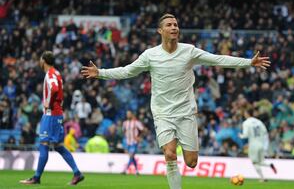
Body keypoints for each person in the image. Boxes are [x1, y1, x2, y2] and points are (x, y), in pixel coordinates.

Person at [81, 14, 270, 189]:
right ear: (160, 31)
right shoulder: (150, 55)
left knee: (191, 162)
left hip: (186, 112)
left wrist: (248, 62)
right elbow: (127, 71)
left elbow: (217, 59)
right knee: (170, 154)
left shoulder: (189, 51)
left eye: (176, 25)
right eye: (169, 25)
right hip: (162, 113)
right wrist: (101, 73)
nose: (174, 27)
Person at [20, 51, 84, 185]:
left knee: (44, 144)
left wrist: (48, 103)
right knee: (58, 146)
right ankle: (77, 173)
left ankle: (36, 178)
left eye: (40, 59)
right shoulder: (57, 72)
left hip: (51, 115)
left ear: (43, 61)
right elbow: (60, 90)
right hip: (57, 114)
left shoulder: (50, 75)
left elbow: (54, 88)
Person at [239, 108, 277, 182]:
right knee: (261, 161)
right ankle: (270, 165)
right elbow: (265, 132)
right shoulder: (259, 122)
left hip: (253, 145)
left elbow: (245, 135)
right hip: (261, 144)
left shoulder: (246, 123)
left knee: (255, 162)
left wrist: (241, 135)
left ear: (247, 114)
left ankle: (262, 178)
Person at [121, 110, 144, 175]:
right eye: (127, 114)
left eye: (129, 114)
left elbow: (142, 130)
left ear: (132, 115)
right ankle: (136, 170)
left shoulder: (136, 122)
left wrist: (139, 137)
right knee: (132, 157)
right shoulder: (125, 123)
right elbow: (123, 131)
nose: (128, 115)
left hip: (134, 142)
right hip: (127, 142)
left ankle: (125, 170)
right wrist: (124, 140)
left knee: (131, 155)